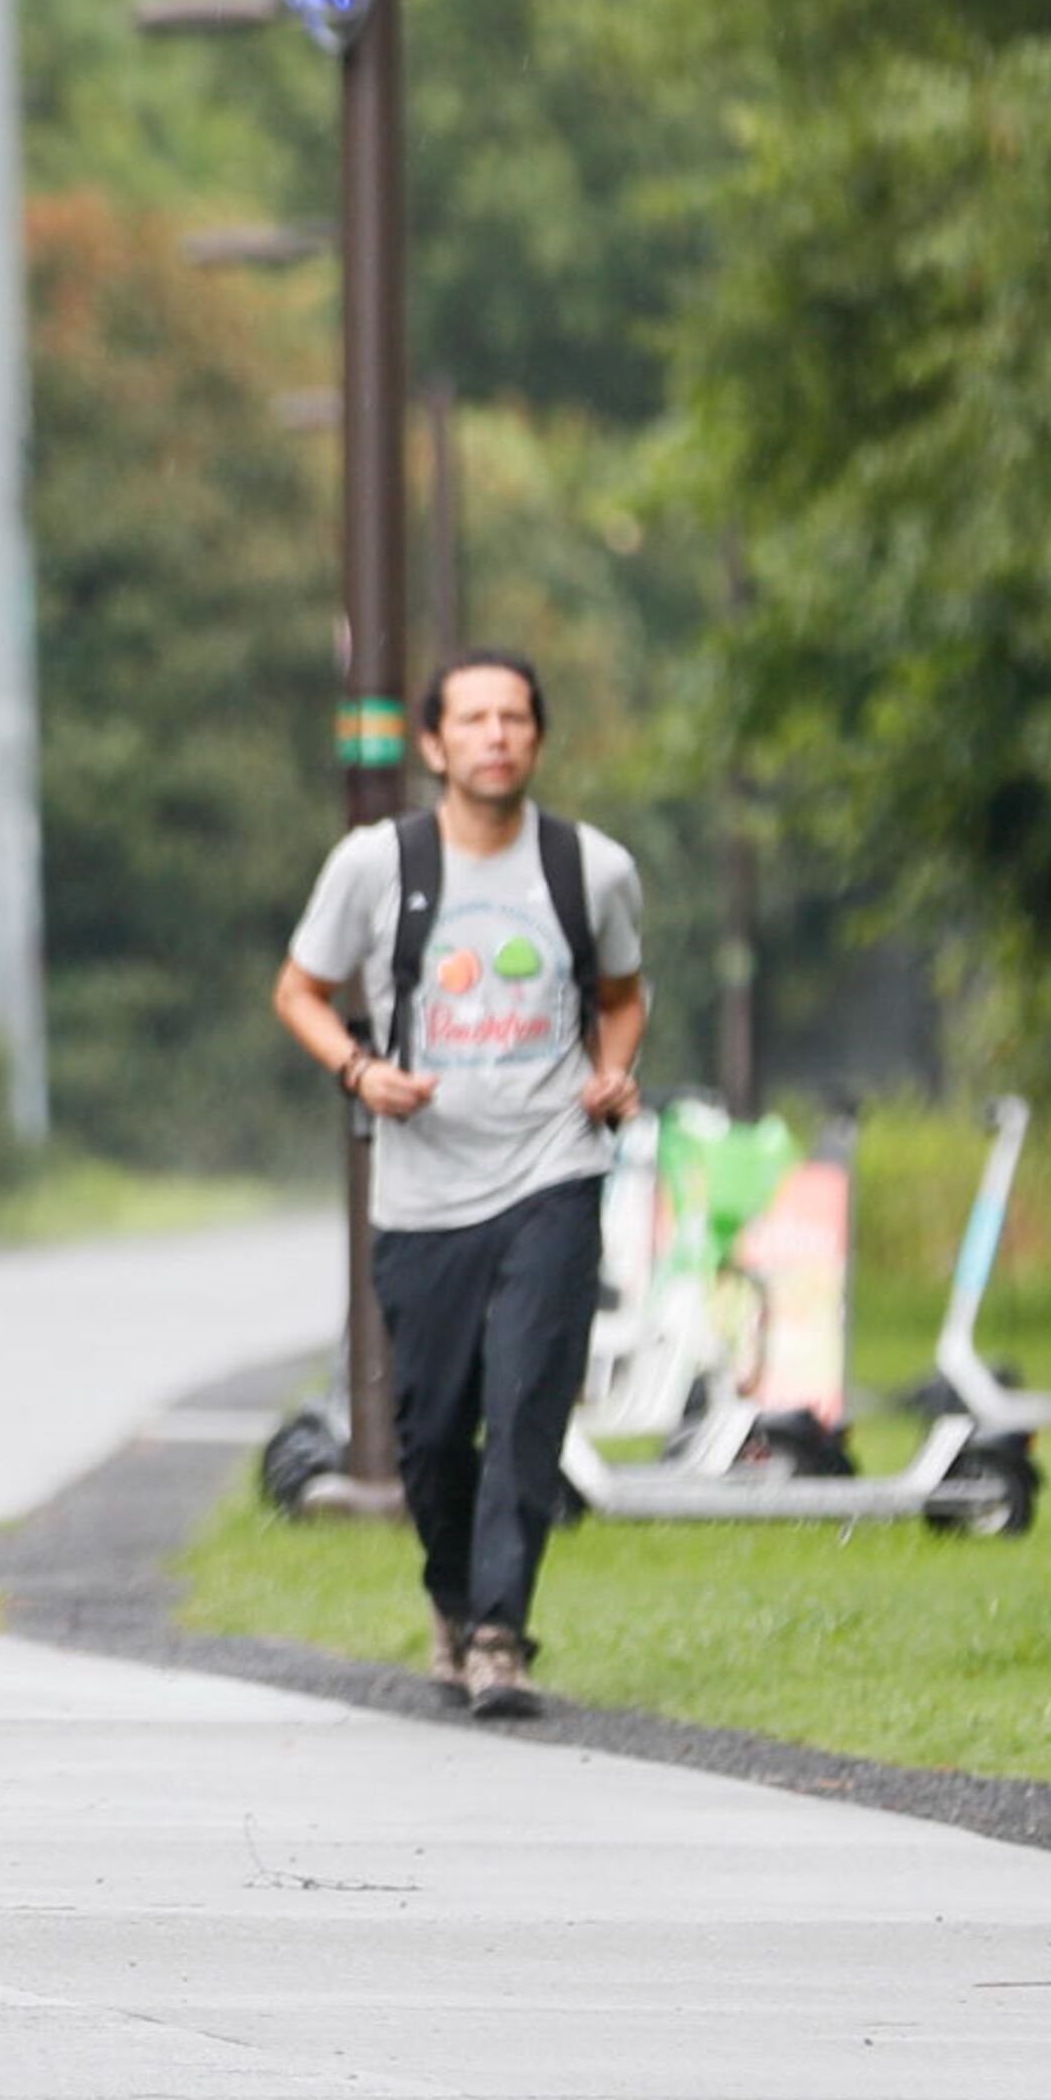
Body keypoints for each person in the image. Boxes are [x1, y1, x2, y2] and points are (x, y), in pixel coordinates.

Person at [272, 652, 648, 1719]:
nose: (496, 737)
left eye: (516, 719)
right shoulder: (374, 865)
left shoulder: (592, 869)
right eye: (474, 720)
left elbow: (622, 994)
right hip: (423, 1191)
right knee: (433, 1428)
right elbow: (298, 989)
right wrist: (358, 1069)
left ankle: (498, 1635)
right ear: (435, 745)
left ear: (538, 738)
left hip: (553, 1171)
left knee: (529, 1401)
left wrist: (615, 1072)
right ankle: (453, 1598)